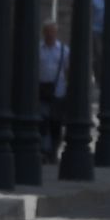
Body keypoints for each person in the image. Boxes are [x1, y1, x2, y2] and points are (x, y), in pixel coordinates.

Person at [38, 20, 70, 162]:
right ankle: (45, 150)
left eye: (53, 32)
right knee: (43, 122)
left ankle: (53, 150)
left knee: (56, 123)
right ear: (43, 32)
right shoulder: (38, 49)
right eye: (48, 31)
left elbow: (67, 70)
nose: (50, 35)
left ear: (56, 33)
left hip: (58, 92)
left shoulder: (64, 50)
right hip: (41, 91)